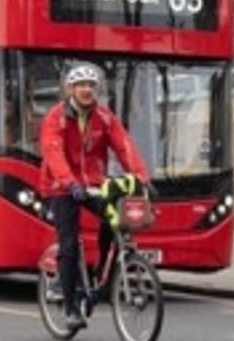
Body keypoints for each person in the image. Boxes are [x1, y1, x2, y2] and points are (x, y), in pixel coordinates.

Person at [39, 62, 150, 331]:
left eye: (91, 85)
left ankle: (101, 279)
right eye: (81, 86)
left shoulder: (105, 117)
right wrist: (68, 182)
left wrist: (141, 177)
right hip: (61, 186)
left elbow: (124, 146)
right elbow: (53, 152)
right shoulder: (56, 117)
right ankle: (70, 308)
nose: (86, 90)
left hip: (93, 184)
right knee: (68, 244)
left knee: (115, 220)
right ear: (71, 90)